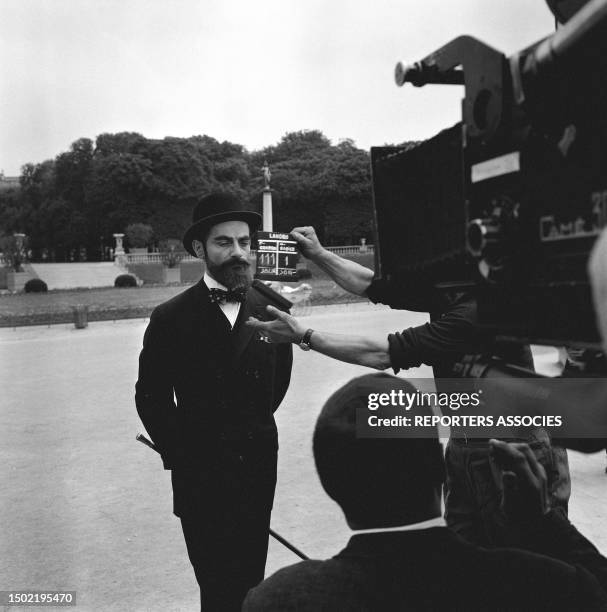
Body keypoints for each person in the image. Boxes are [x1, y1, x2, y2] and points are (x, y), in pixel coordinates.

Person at [246, 226, 570, 547]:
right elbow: (372, 285)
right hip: (464, 445)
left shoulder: (480, 309)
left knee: (527, 564)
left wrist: (304, 335)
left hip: (513, 445)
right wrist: (318, 253)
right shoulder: (453, 286)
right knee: (466, 564)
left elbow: (382, 354)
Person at [243, 374, 607, 611]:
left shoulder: (278, 600)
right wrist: (541, 524)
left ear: (330, 485)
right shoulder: (543, 585)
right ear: (443, 469)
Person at [135, 193, 293, 611]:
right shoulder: (169, 317)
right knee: (216, 587)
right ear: (199, 249)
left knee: (251, 582)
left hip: (257, 465)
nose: (239, 252)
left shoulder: (273, 309)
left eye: (245, 241)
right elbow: (150, 396)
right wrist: (181, 453)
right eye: (225, 242)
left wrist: (247, 430)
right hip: (199, 474)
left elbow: (277, 385)